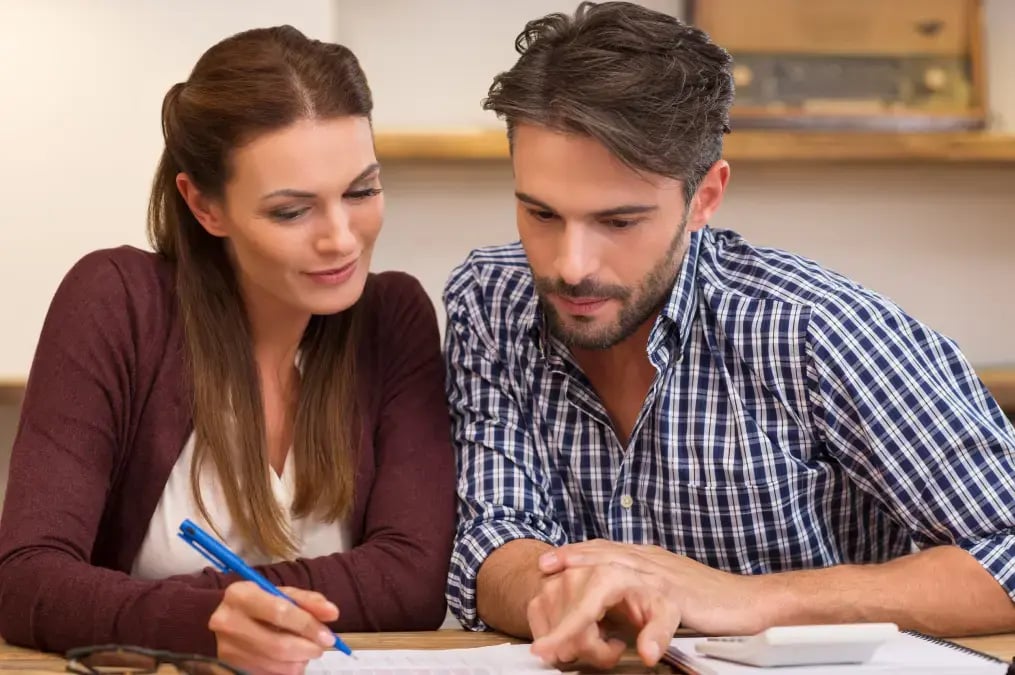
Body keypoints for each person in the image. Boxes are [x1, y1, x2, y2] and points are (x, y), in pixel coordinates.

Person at [442, 1, 1015, 669]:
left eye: (619, 221)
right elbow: (493, 535)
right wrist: (558, 592)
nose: (570, 265)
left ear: (705, 197)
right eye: (539, 212)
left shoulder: (814, 328)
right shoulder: (489, 300)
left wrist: (750, 598)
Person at [0, 25, 455, 674]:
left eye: (361, 191)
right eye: (292, 210)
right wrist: (204, 623)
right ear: (204, 204)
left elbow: (411, 581)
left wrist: (140, 606)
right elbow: (25, 578)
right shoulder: (116, 301)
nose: (341, 239)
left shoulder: (393, 317)